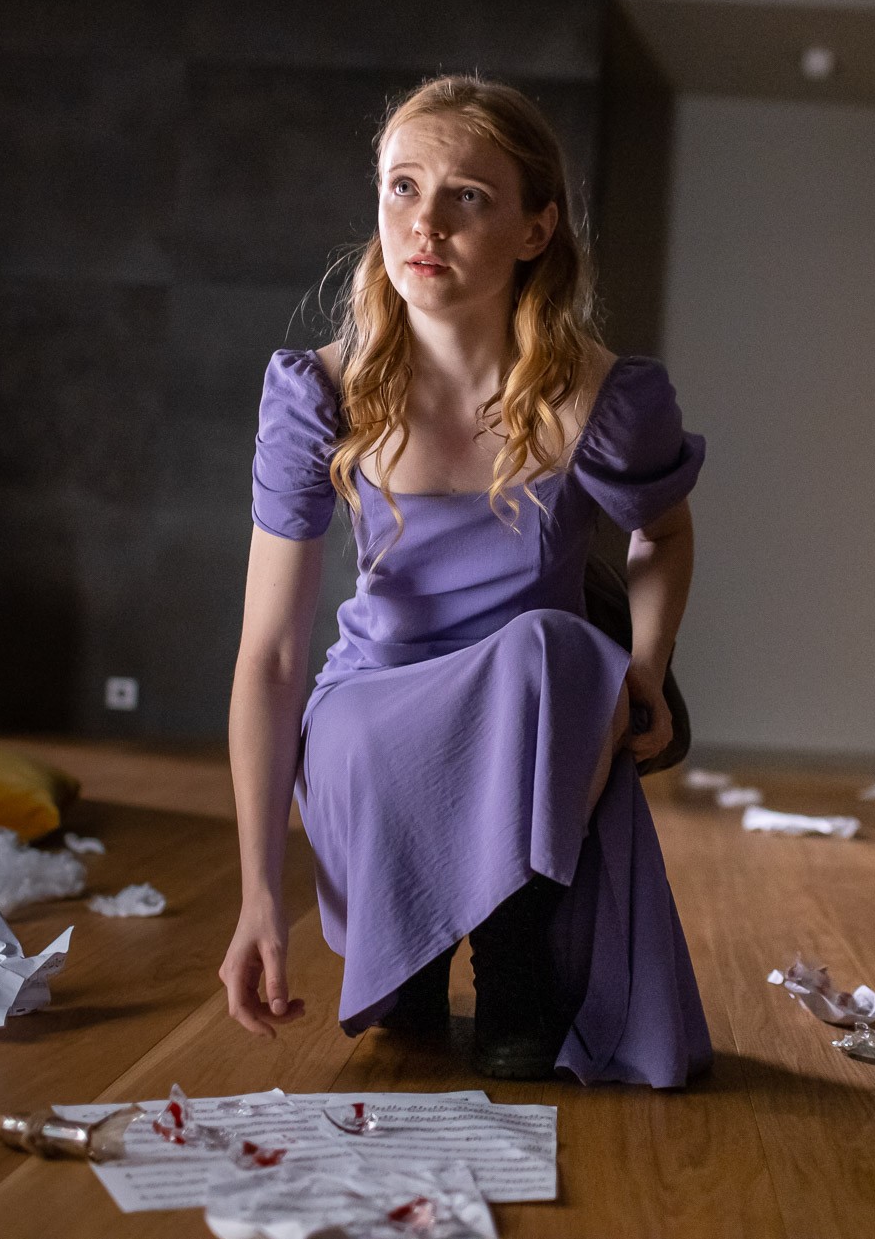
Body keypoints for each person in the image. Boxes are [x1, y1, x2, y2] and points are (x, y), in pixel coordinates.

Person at [218, 74, 712, 1088]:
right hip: (374, 716)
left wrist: (647, 667)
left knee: (551, 647)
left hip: (534, 721)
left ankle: (514, 967)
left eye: (467, 196)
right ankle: (407, 945)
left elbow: (663, 533)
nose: (425, 223)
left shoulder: (602, 398)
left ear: (536, 229)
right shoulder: (318, 394)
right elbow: (270, 657)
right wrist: (257, 896)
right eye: (403, 187)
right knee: (368, 719)